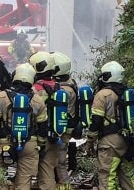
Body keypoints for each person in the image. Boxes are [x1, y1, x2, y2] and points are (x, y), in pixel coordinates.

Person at [0, 63, 48, 190]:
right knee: (24, 181)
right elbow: (43, 127)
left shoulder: (1, 97)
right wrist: (41, 145)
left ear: (15, 76)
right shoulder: (38, 100)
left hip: (5, 144)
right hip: (29, 145)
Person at [84, 61, 134, 190]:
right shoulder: (127, 93)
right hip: (128, 141)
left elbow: (96, 121)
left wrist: (90, 140)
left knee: (107, 178)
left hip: (109, 144)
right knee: (129, 178)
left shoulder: (103, 95)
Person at [29, 51, 62, 190]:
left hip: (37, 135)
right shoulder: (59, 87)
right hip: (54, 134)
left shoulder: (35, 89)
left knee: (25, 172)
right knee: (48, 171)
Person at [51, 52, 78, 187]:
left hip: (61, 130)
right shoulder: (70, 84)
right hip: (66, 129)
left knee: (59, 163)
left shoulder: (63, 90)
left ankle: (64, 186)